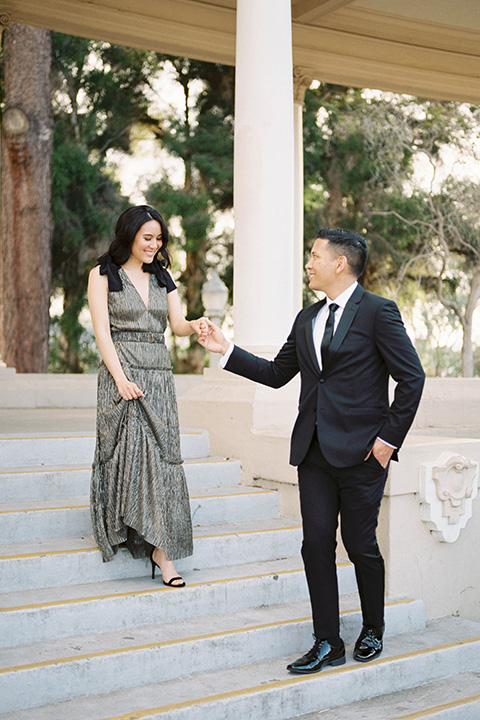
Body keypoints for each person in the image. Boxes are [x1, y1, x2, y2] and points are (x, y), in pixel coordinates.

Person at [199, 227, 425, 670]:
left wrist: (386, 442)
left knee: (360, 546)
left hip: (363, 454)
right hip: (313, 453)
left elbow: (412, 378)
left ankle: (373, 629)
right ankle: (328, 641)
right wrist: (226, 350)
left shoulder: (379, 312)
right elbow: (276, 373)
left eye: (315, 255)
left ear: (339, 263)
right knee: (315, 543)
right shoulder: (306, 318)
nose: (309, 262)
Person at [88, 205, 207, 588]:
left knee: (162, 457)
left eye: (159, 239)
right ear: (129, 236)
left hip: (158, 375)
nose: (155, 245)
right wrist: (120, 379)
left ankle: (163, 551)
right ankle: (135, 529)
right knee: (131, 453)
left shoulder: (162, 276)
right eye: (147, 238)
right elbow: (103, 334)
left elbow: (177, 325)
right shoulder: (102, 274)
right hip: (122, 375)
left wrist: (197, 325)